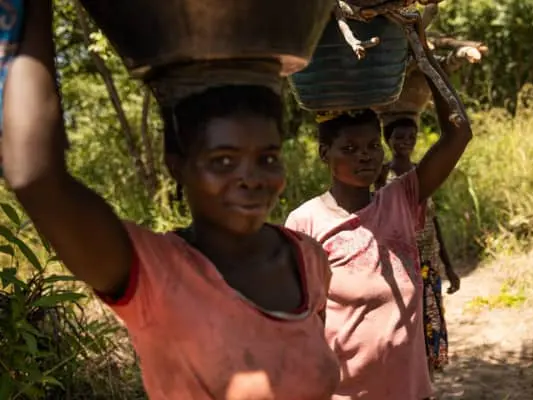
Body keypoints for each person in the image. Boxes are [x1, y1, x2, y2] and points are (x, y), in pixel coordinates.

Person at [2, 1, 340, 399]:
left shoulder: (308, 260)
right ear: (176, 165)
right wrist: (35, 10)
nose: (251, 179)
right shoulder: (155, 275)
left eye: (267, 158)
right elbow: (35, 177)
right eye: (223, 161)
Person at [284, 80, 473, 398]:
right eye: (350, 149)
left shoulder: (401, 198)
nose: (365, 157)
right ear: (324, 154)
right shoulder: (306, 222)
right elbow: (296, 322)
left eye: (373, 146)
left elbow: (459, 133)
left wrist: (425, 60)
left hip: (411, 391)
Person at [375, 117, 461, 379]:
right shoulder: (381, 173)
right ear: (388, 140)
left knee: (428, 319)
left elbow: (433, 220)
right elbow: (374, 214)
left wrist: (448, 265)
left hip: (427, 258)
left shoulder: (421, 172)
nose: (406, 142)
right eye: (399, 137)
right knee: (401, 320)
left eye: (411, 137)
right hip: (397, 259)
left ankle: (426, 377)